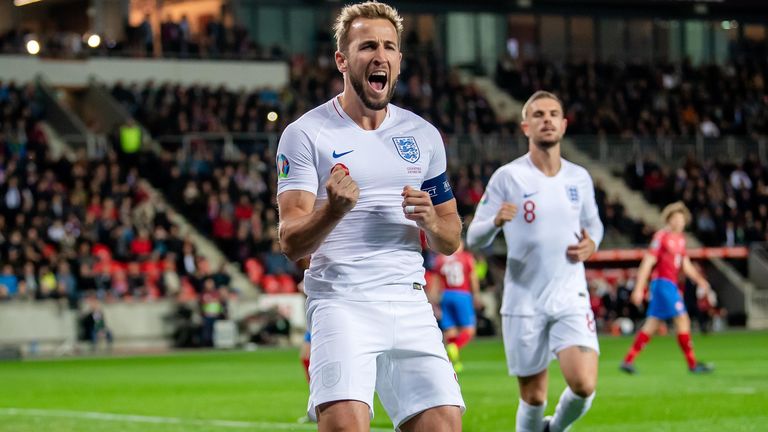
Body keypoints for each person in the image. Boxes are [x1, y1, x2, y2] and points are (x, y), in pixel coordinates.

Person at [275, 2, 464, 431]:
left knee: (444, 426)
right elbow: (291, 242)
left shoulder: (424, 136)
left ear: (399, 60)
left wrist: (431, 224)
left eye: (389, 47)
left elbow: (451, 237)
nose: (380, 55)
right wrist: (333, 211)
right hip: (342, 303)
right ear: (342, 60)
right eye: (367, 46)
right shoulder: (305, 134)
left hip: (409, 301)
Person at [466, 90, 604, 432]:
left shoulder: (579, 178)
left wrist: (592, 244)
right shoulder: (508, 177)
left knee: (584, 384)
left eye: (553, 114)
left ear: (564, 124)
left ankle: (554, 429)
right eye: (539, 114)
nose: (547, 120)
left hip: (570, 295)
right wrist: (495, 222)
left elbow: (595, 224)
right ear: (526, 126)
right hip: (523, 300)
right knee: (533, 395)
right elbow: (473, 237)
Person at [620, 201, 714, 374]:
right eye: (675, 218)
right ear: (668, 220)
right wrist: (639, 288)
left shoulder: (681, 240)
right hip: (662, 284)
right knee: (682, 319)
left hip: (669, 284)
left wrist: (701, 281)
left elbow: (685, 265)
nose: (679, 222)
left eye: (681, 218)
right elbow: (648, 261)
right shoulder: (661, 237)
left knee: (652, 323)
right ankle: (693, 364)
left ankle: (628, 360)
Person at [432, 240, 480, 373]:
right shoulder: (466, 257)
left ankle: (454, 364)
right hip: (462, 294)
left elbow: (436, 280)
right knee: (469, 330)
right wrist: (476, 295)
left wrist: (434, 298)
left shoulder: (440, 259)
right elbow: (472, 277)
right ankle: (455, 347)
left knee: (450, 332)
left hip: (446, 295)